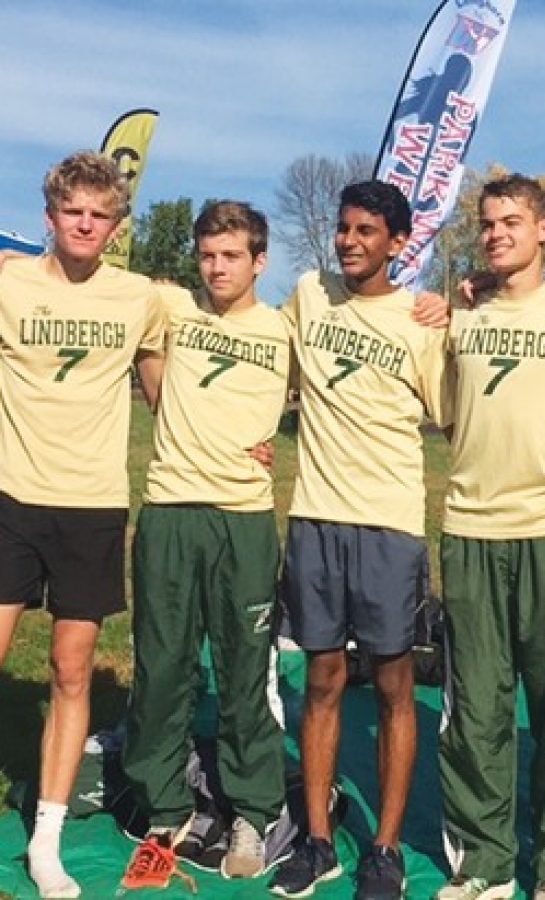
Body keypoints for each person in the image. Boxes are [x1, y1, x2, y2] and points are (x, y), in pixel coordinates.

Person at [269, 180, 449, 900]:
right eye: (344, 229)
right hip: (314, 516)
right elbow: (259, 354)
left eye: (366, 231)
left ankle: (384, 846)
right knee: (321, 681)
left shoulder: (421, 318)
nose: (349, 241)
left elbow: (451, 415)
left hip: (390, 523)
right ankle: (317, 841)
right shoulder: (310, 295)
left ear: (398, 243)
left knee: (395, 684)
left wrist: (452, 307)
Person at [435, 173, 545, 900]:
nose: (496, 232)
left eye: (512, 220)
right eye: (487, 223)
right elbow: (442, 409)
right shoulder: (461, 316)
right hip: (470, 531)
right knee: (475, 710)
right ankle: (485, 863)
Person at [0, 150, 166, 899]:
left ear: (116, 227)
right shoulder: (8, 281)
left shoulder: (143, 297)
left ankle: (47, 837)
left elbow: (173, 388)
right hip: (11, 497)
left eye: (100, 216)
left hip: (93, 506)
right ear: (50, 219)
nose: (86, 225)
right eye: (75, 213)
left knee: (71, 670)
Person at [119, 202, 291, 887]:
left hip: (243, 519)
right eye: (208, 255)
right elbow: (142, 355)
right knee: (163, 665)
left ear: (259, 262)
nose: (217, 268)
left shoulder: (284, 327)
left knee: (246, 671)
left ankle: (253, 808)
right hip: (169, 510)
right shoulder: (169, 304)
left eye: (231, 256)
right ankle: (165, 804)